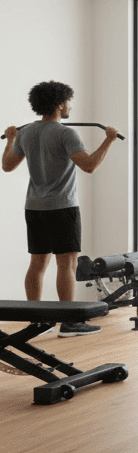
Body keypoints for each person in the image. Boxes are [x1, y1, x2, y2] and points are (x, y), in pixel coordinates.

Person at [3, 81, 119, 336]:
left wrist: (11, 138)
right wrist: (108, 140)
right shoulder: (65, 133)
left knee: (37, 263)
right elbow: (89, 165)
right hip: (62, 207)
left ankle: (36, 321)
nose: (70, 106)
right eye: (68, 101)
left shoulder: (26, 133)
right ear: (59, 104)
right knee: (66, 264)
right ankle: (69, 322)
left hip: (34, 208)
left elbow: (7, 165)